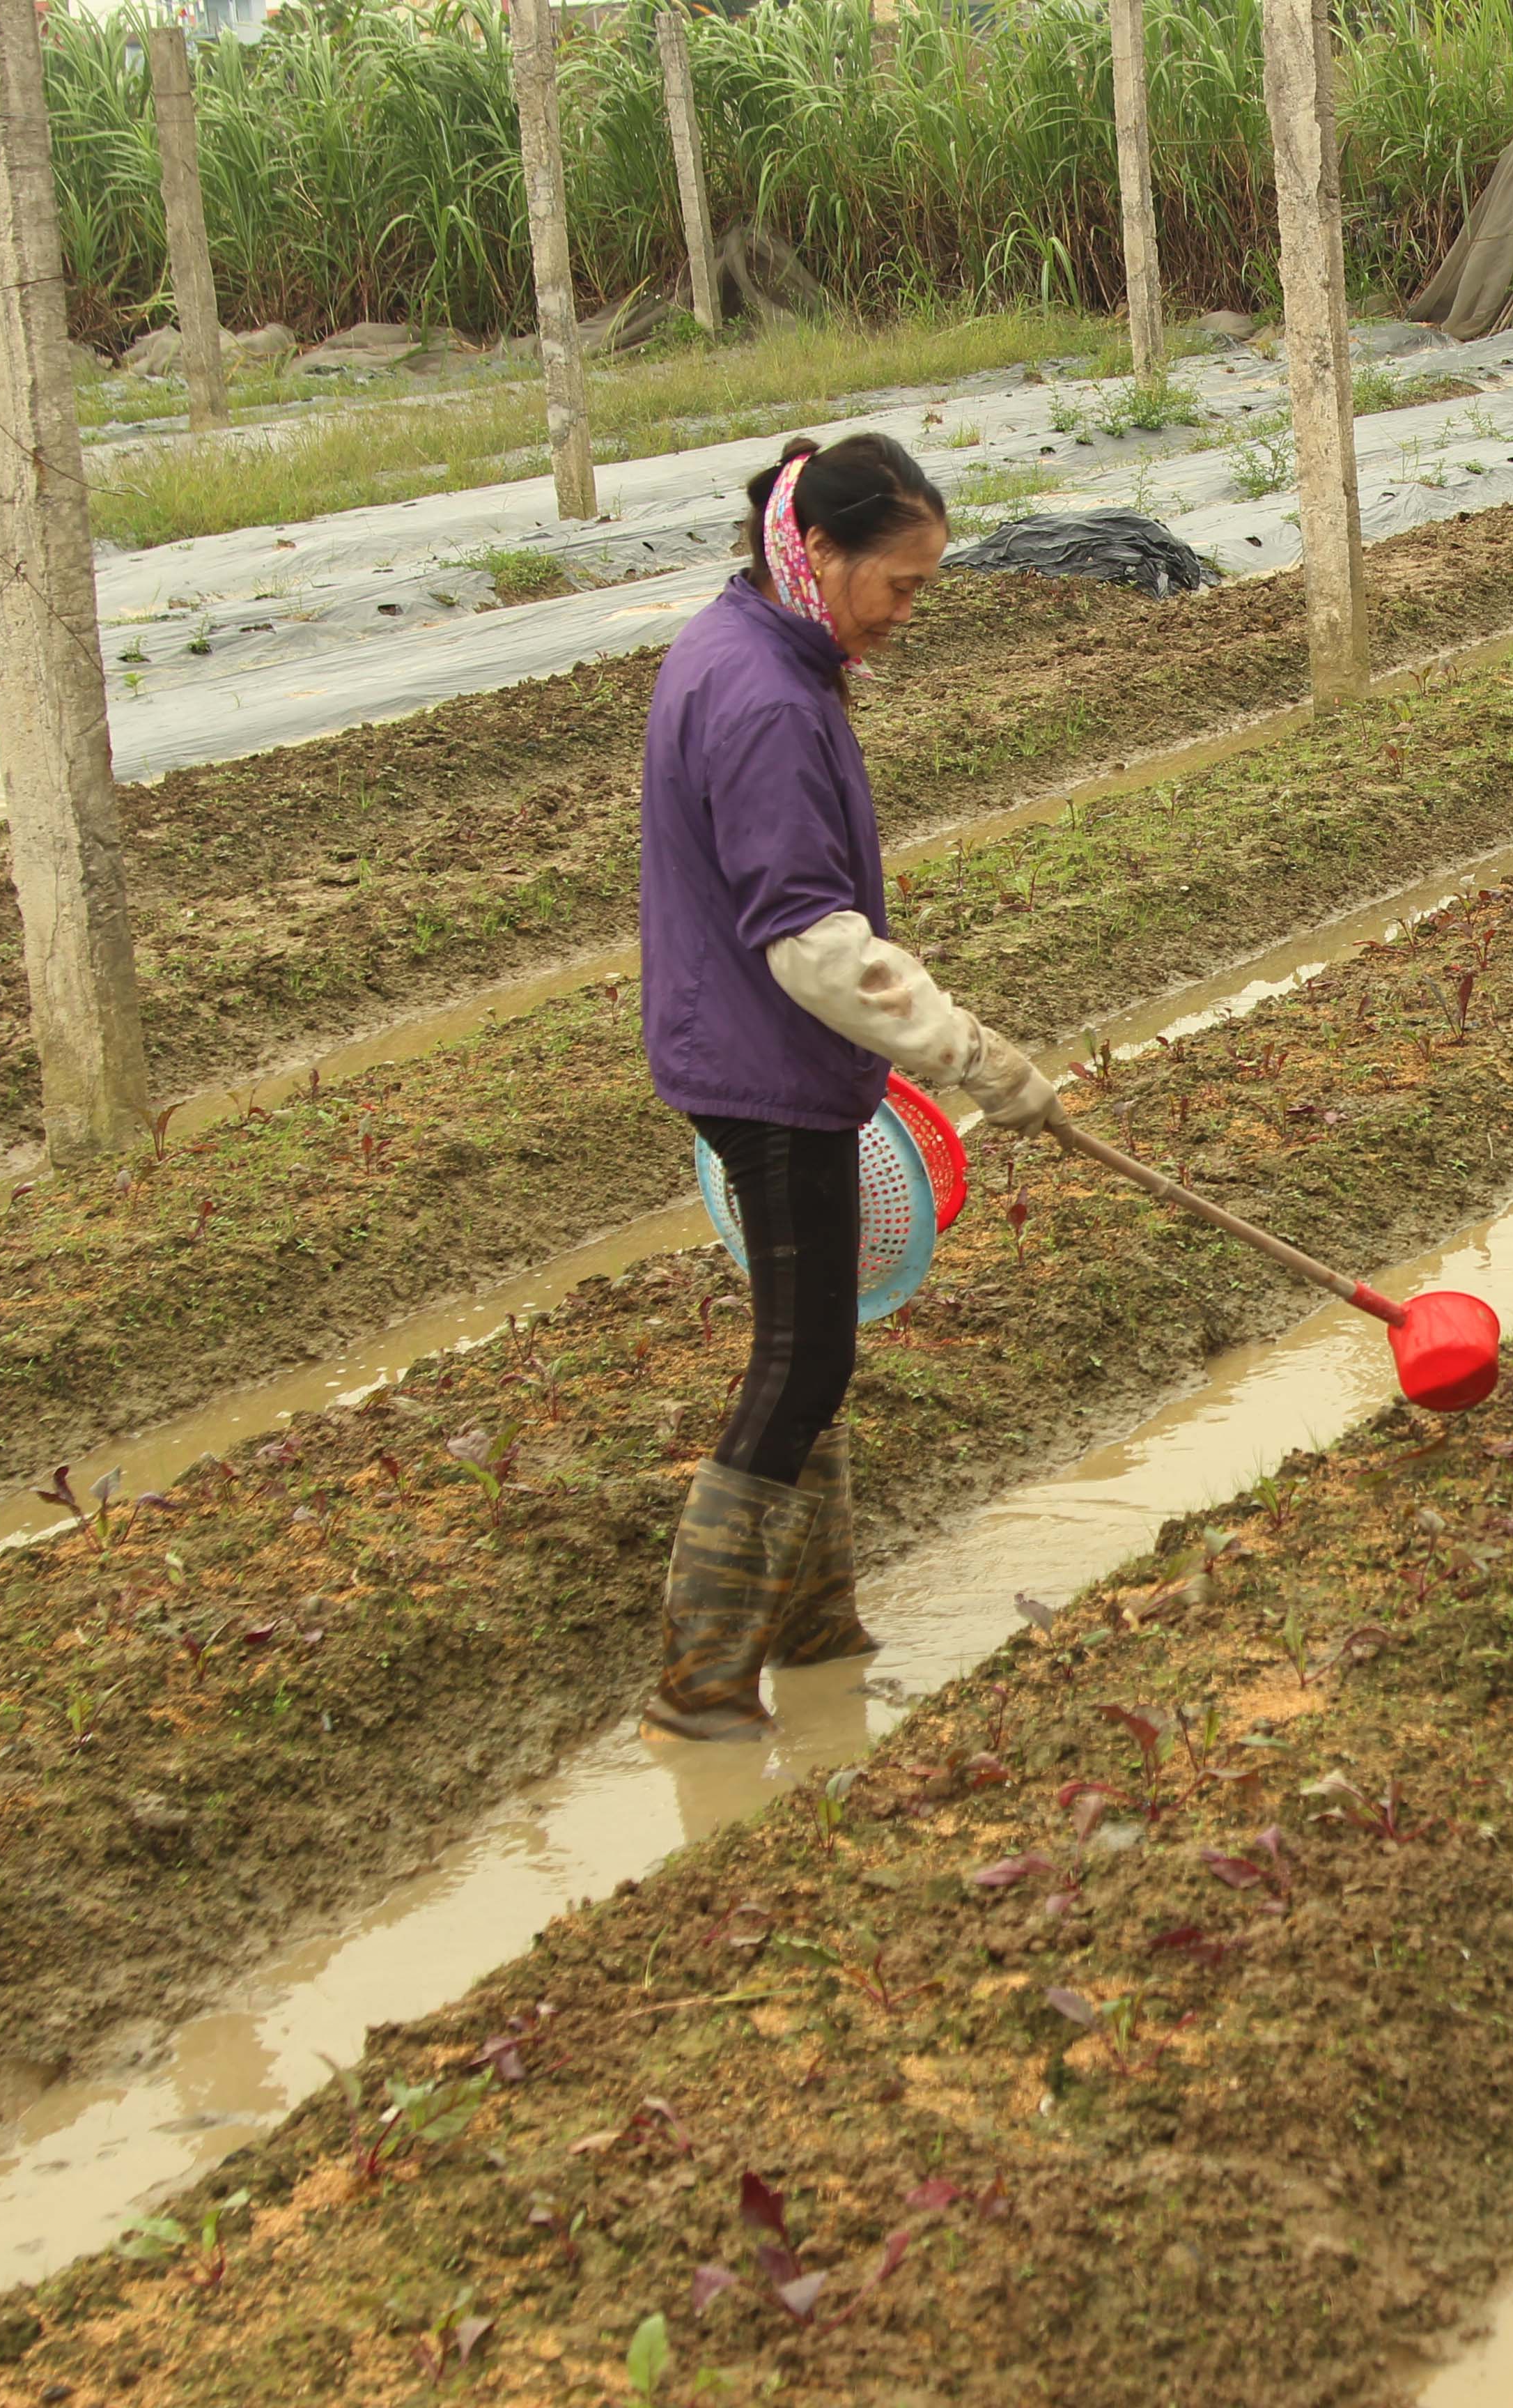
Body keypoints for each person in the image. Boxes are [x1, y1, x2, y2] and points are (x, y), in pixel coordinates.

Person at [635, 430, 1056, 1742]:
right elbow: (811, 940)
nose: (907, 615)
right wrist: (971, 1058)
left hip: (757, 1048)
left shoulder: (760, 643)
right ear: (819, 552)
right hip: (765, 1061)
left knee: (806, 1346)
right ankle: (698, 1678)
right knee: (802, 1357)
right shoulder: (760, 695)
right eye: (903, 587)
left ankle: (814, 1625)